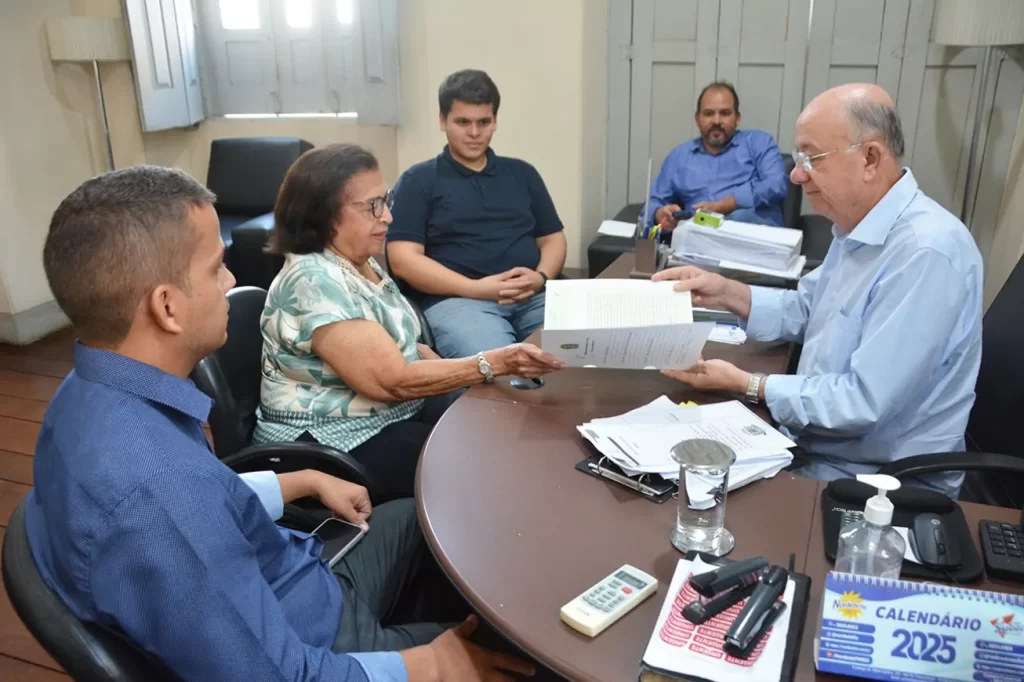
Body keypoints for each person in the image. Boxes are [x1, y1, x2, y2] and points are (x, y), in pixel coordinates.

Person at [26, 165, 538, 681]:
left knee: (424, 512)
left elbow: (204, 499)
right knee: (520, 657)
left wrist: (299, 481)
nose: (229, 280)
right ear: (167, 307)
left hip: (295, 576)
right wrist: (429, 665)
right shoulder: (157, 494)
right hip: (321, 647)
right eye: (216, 268)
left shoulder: (91, 391)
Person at [654, 83, 983, 498]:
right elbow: (808, 308)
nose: (796, 174)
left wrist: (749, 384)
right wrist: (723, 291)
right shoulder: (858, 228)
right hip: (824, 448)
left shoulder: (925, 252)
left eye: (811, 158)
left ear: (870, 158)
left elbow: (863, 401)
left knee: (694, 498)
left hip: (877, 482)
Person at [255, 143, 565, 502]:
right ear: (324, 215)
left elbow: (408, 347)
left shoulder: (358, 262)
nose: (387, 216)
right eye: (373, 206)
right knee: (478, 464)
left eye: (385, 201)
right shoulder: (313, 279)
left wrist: (472, 384)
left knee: (494, 424)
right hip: (330, 439)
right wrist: (492, 363)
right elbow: (392, 381)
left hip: (386, 417)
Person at [387, 69, 567, 360]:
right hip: (459, 302)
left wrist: (541, 276)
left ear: (495, 121)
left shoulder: (523, 173)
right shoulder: (418, 180)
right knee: (499, 368)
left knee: (581, 356)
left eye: (483, 122)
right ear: (443, 121)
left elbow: (553, 238)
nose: (474, 133)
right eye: (463, 122)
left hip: (534, 297)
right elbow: (403, 260)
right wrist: (476, 288)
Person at [648, 81, 789, 230]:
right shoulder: (678, 157)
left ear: (737, 118)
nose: (716, 121)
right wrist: (659, 214)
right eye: (708, 114)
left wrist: (725, 205)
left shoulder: (759, 143)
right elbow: (652, 203)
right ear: (697, 119)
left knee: (739, 218)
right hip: (698, 240)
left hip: (755, 238)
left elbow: (776, 184)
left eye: (725, 113)